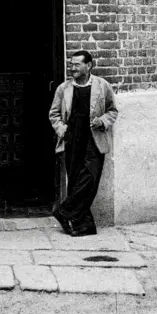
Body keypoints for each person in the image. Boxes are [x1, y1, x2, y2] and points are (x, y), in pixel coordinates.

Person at [48, 50, 118, 236]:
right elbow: (54, 114)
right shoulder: (64, 89)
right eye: (71, 64)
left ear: (89, 66)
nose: (73, 68)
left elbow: (113, 111)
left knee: (90, 179)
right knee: (75, 182)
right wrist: (62, 129)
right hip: (72, 141)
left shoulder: (102, 86)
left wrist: (101, 121)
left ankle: (64, 211)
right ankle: (83, 226)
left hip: (94, 140)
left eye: (77, 65)